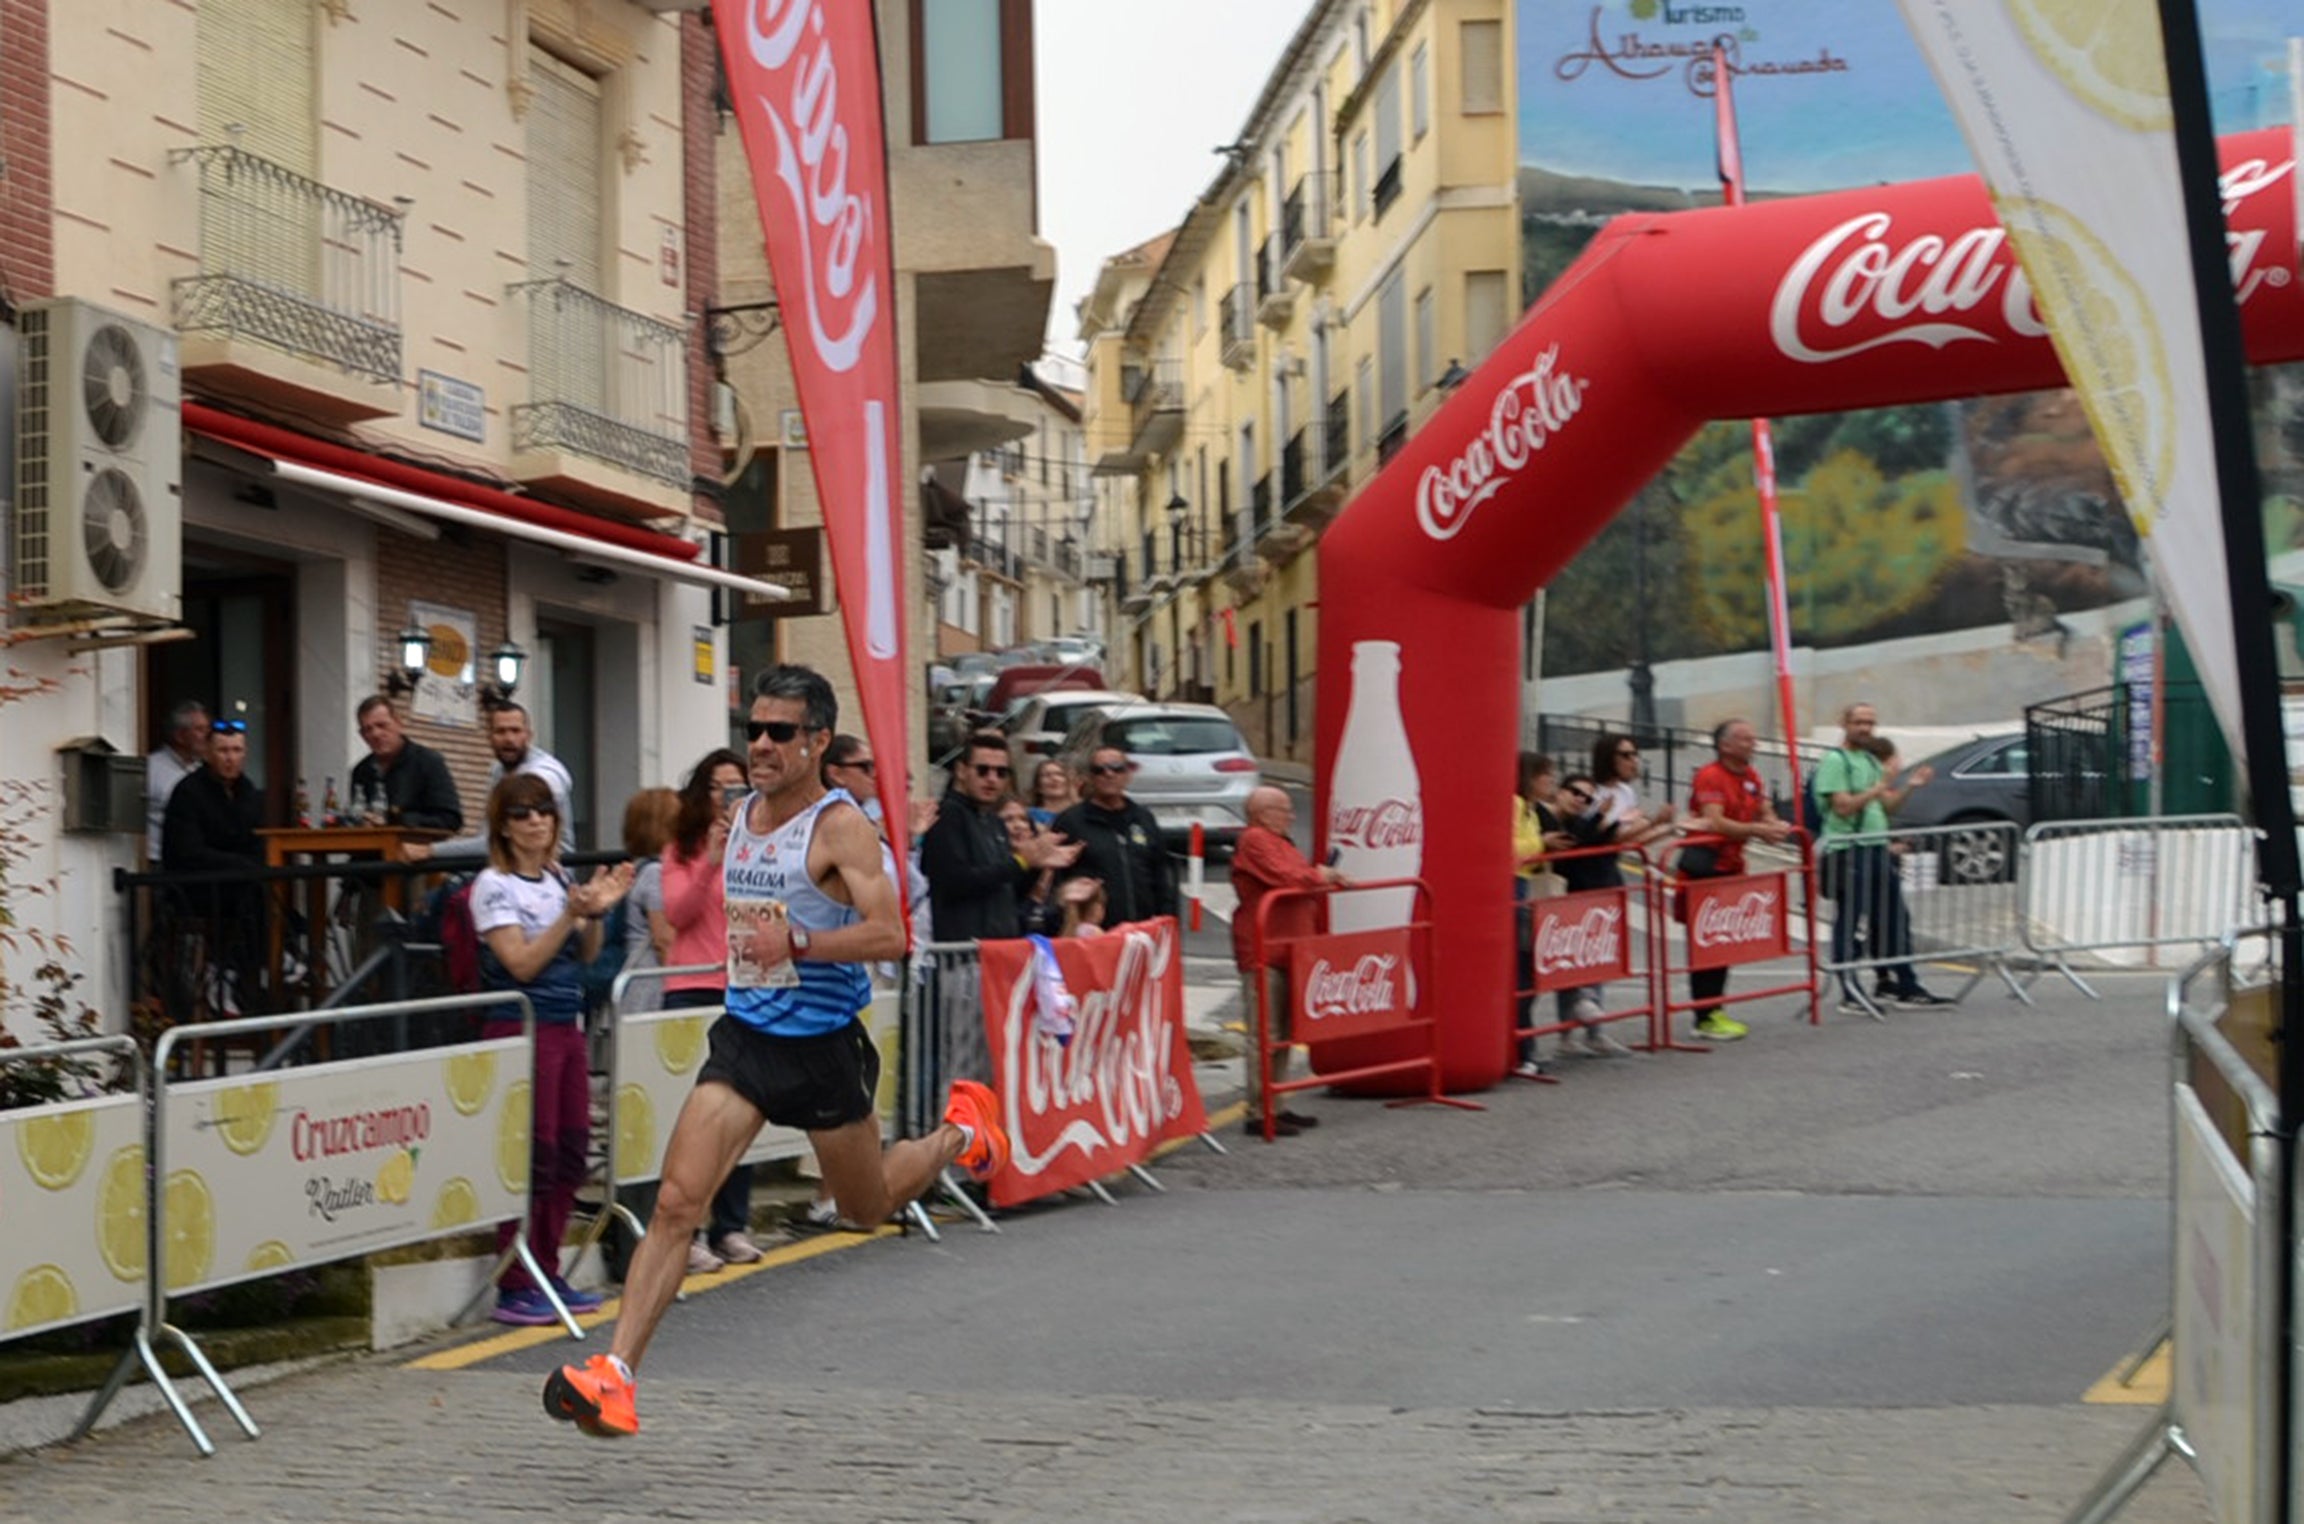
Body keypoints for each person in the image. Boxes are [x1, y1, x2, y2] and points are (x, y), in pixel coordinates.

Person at [544, 664, 1012, 1440]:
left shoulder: (841, 826)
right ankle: (616, 1376)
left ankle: (963, 1131)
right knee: (676, 1203)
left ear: (818, 741)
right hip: (748, 1040)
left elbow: (892, 935)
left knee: (864, 1208)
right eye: (752, 728)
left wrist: (796, 939)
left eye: (779, 732)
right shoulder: (742, 815)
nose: (760, 743)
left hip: (825, 1049)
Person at [468, 773, 634, 1325]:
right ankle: (517, 1279)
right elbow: (519, 963)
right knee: (530, 1155)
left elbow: (585, 956)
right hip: (522, 1027)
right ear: (504, 826)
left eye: (544, 810)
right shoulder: (493, 886)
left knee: (570, 1149)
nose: (536, 820)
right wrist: (570, 913)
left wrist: (594, 912)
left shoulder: (560, 876)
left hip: (566, 1025)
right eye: (522, 812)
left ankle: (546, 1265)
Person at [656, 748, 767, 1275]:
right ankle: (691, 1228)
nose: (730, 797)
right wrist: (712, 862)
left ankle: (731, 1223)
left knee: (739, 1110)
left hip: (741, 986)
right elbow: (678, 912)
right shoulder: (680, 850)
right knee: (695, 1117)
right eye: (721, 787)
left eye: (739, 787)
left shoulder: (759, 846)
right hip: (690, 986)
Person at [1815, 702, 1949, 1012]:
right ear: (1844, 723)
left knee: (1895, 918)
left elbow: (1888, 807)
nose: (1865, 728)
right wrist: (1879, 788)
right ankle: (1850, 991)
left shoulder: (1870, 761)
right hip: (1849, 851)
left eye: (1870, 722)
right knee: (1850, 922)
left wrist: (1909, 788)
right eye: (1859, 722)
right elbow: (1843, 807)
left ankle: (1905, 985)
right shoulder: (1836, 761)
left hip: (1876, 849)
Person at [1228, 785, 1345, 1137]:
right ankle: (1259, 1108)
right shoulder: (1255, 840)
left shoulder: (1279, 841)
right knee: (1266, 1031)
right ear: (1263, 813)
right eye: (1285, 809)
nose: (1292, 816)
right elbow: (1290, 878)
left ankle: (1276, 1103)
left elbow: (1301, 880)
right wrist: (1320, 876)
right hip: (1265, 947)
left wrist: (1326, 878)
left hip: (1289, 946)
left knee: (1283, 1033)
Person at [1681, 719, 1794, 1042]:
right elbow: (1715, 821)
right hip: (1705, 866)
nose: (1752, 744)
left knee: (1724, 941)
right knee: (1706, 943)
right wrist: (1759, 830)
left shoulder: (1751, 776)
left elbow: (1763, 807)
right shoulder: (1710, 775)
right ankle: (1704, 1015)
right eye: (1744, 739)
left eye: (1753, 738)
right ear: (1725, 745)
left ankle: (1715, 1009)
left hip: (1732, 866)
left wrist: (1773, 825)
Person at [920, 731, 1078, 942]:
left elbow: (1008, 888)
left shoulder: (993, 820)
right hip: (964, 952)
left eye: (1001, 772)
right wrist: (1021, 861)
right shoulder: (948, 816)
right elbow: (956, 883)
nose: (992, 779)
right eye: (982, 770)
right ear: (961, 770)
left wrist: (1038, 865)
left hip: (1000, 949)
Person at [161, 717, 265, 1013]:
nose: (230, 758)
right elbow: (188, 852)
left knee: (267, 892)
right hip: (196, 887)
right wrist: (242, 863)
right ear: (208, 753)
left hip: (239, 884)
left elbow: (258, 839)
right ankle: (226, 973)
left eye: (236, 750)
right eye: (223, 751)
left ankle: (271, 960)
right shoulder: (189, 791)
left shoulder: (248, 791)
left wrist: (249, 863)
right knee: (253, 893)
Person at [406, 702, 574, 860]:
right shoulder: (498, 770)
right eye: (500, 732)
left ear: (528, 735)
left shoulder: (544, 776)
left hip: (547, 873)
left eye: (515, 731)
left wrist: (431, 850)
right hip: (506, 868)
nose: (509, 739)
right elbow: (488, 835)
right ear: (489, 737)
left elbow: (496, 840)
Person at [1552, 772, 1638, 1058]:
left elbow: (1607, 843)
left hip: (1589, 895)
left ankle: (1591, 1032)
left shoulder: (1581, 822)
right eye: (1575, 793)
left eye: (1587, 798)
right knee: (1562, 963)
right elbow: (1579, 845)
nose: (1580, 800)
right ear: (1560, 791)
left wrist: (1661, 826)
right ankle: (1568, 1026)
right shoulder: (1553, 819)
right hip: (1563, 896)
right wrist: (1598, 817)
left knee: (1591, 958)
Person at [1053, 746, 1178, 927]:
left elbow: (1160, 872)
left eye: (1116, 768)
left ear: (1128, 775)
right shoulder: (1071, 822)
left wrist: (1167, 918)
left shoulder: (1143, 818)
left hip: (1143, 930)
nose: (1109, 774)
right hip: (1094, 934)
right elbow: (1057, 881)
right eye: (1099, 770)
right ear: (1090, 778)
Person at [1512, 752, 1575, 1079]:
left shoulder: (1533, 810)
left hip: (1527, 887)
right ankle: (1521, 1050)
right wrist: (1542, 842)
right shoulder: (1513, 805)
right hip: (1513, 890)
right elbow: (1511, 851)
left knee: (1529, 973)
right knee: (1521, 973)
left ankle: (1525, 1046)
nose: (1550, 781)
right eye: (1545, 775)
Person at [348, 694, 464, 830]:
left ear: (398, 723)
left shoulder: (428, 762)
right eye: (368, 729)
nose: (376, 734)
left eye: (382, 725)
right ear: (362, 736)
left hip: (419, 847)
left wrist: (398, 820)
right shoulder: (361, 771)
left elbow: (451, 819)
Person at [145, 700, 209, 862]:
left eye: (208, 729)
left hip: (197, 862)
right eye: (200, 730)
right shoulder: (151, 769)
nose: (208, 736)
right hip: (158, 863)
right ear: (180, 736)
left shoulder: (204, 771)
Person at [820, 734, 880, 825]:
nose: (875, 774)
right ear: (836, 774)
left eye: (877, 766)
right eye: (866, 766)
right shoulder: (834, 817)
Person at [1028, 758, 1079, 828]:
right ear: (1038, 786)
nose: (1054, 779)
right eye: (1047, 775)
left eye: (1060, 774)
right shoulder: (1029, 815)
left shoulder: (1082, 812)